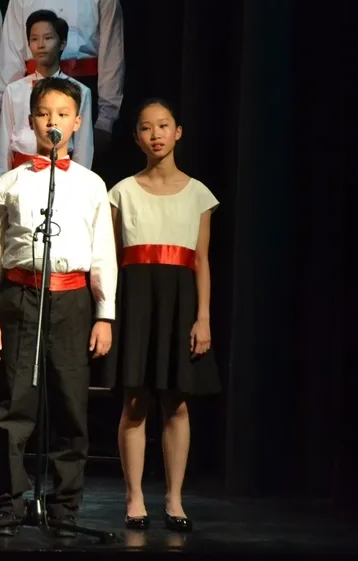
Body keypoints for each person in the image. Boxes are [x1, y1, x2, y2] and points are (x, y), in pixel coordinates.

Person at [0, 77, 116, 537]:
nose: (52, 121)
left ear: (77, 122)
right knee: (14, 405)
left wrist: (105, 314)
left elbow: (103, 253)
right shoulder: (11, 181)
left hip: (72, 299)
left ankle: (64, 505)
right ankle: (10, 503)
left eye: (62, 114)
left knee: (71, 404)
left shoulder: (92, 185)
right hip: (21, 296)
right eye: (43, 113)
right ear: (31, 121)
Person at [106, 98, 220, 533]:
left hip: (180, 302)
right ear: (136, 137)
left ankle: (174, 498)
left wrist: (203, 317)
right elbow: (110, 258)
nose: (155, 134)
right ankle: (134, 497)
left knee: (176, 401)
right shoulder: (122, 192)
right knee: (135, 401)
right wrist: (108, 314)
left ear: (178, 132)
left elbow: (202, 261)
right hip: (135, 300)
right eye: (146, 128)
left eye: (164, 126)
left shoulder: (198, 194)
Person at [0, 0, 123, 182]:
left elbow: (112, 59)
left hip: (82, 87)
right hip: (32, 87)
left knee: (77, 168)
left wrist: (106, 119)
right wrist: (6, 103)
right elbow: (10, 52)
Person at [0, 10, 92, 178]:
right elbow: (3, 146)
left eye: (48, 38)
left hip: (63, 173)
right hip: (21, 173)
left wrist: (79, 181)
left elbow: (83, 147)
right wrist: (2, 179)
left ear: (62, 43)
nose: (40, 45)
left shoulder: (80, 91)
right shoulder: (13, 90)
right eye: (34, 39)